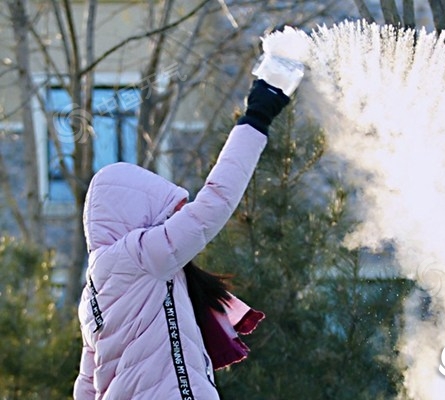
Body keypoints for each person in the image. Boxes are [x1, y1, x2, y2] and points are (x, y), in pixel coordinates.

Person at [73, 76, 295, 399]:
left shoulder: (91, 295)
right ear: (136, 215)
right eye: (163, 217)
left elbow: (86, 385)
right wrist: (256, 118)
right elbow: (213, 204)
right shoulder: (140, 256)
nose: (171, 224)